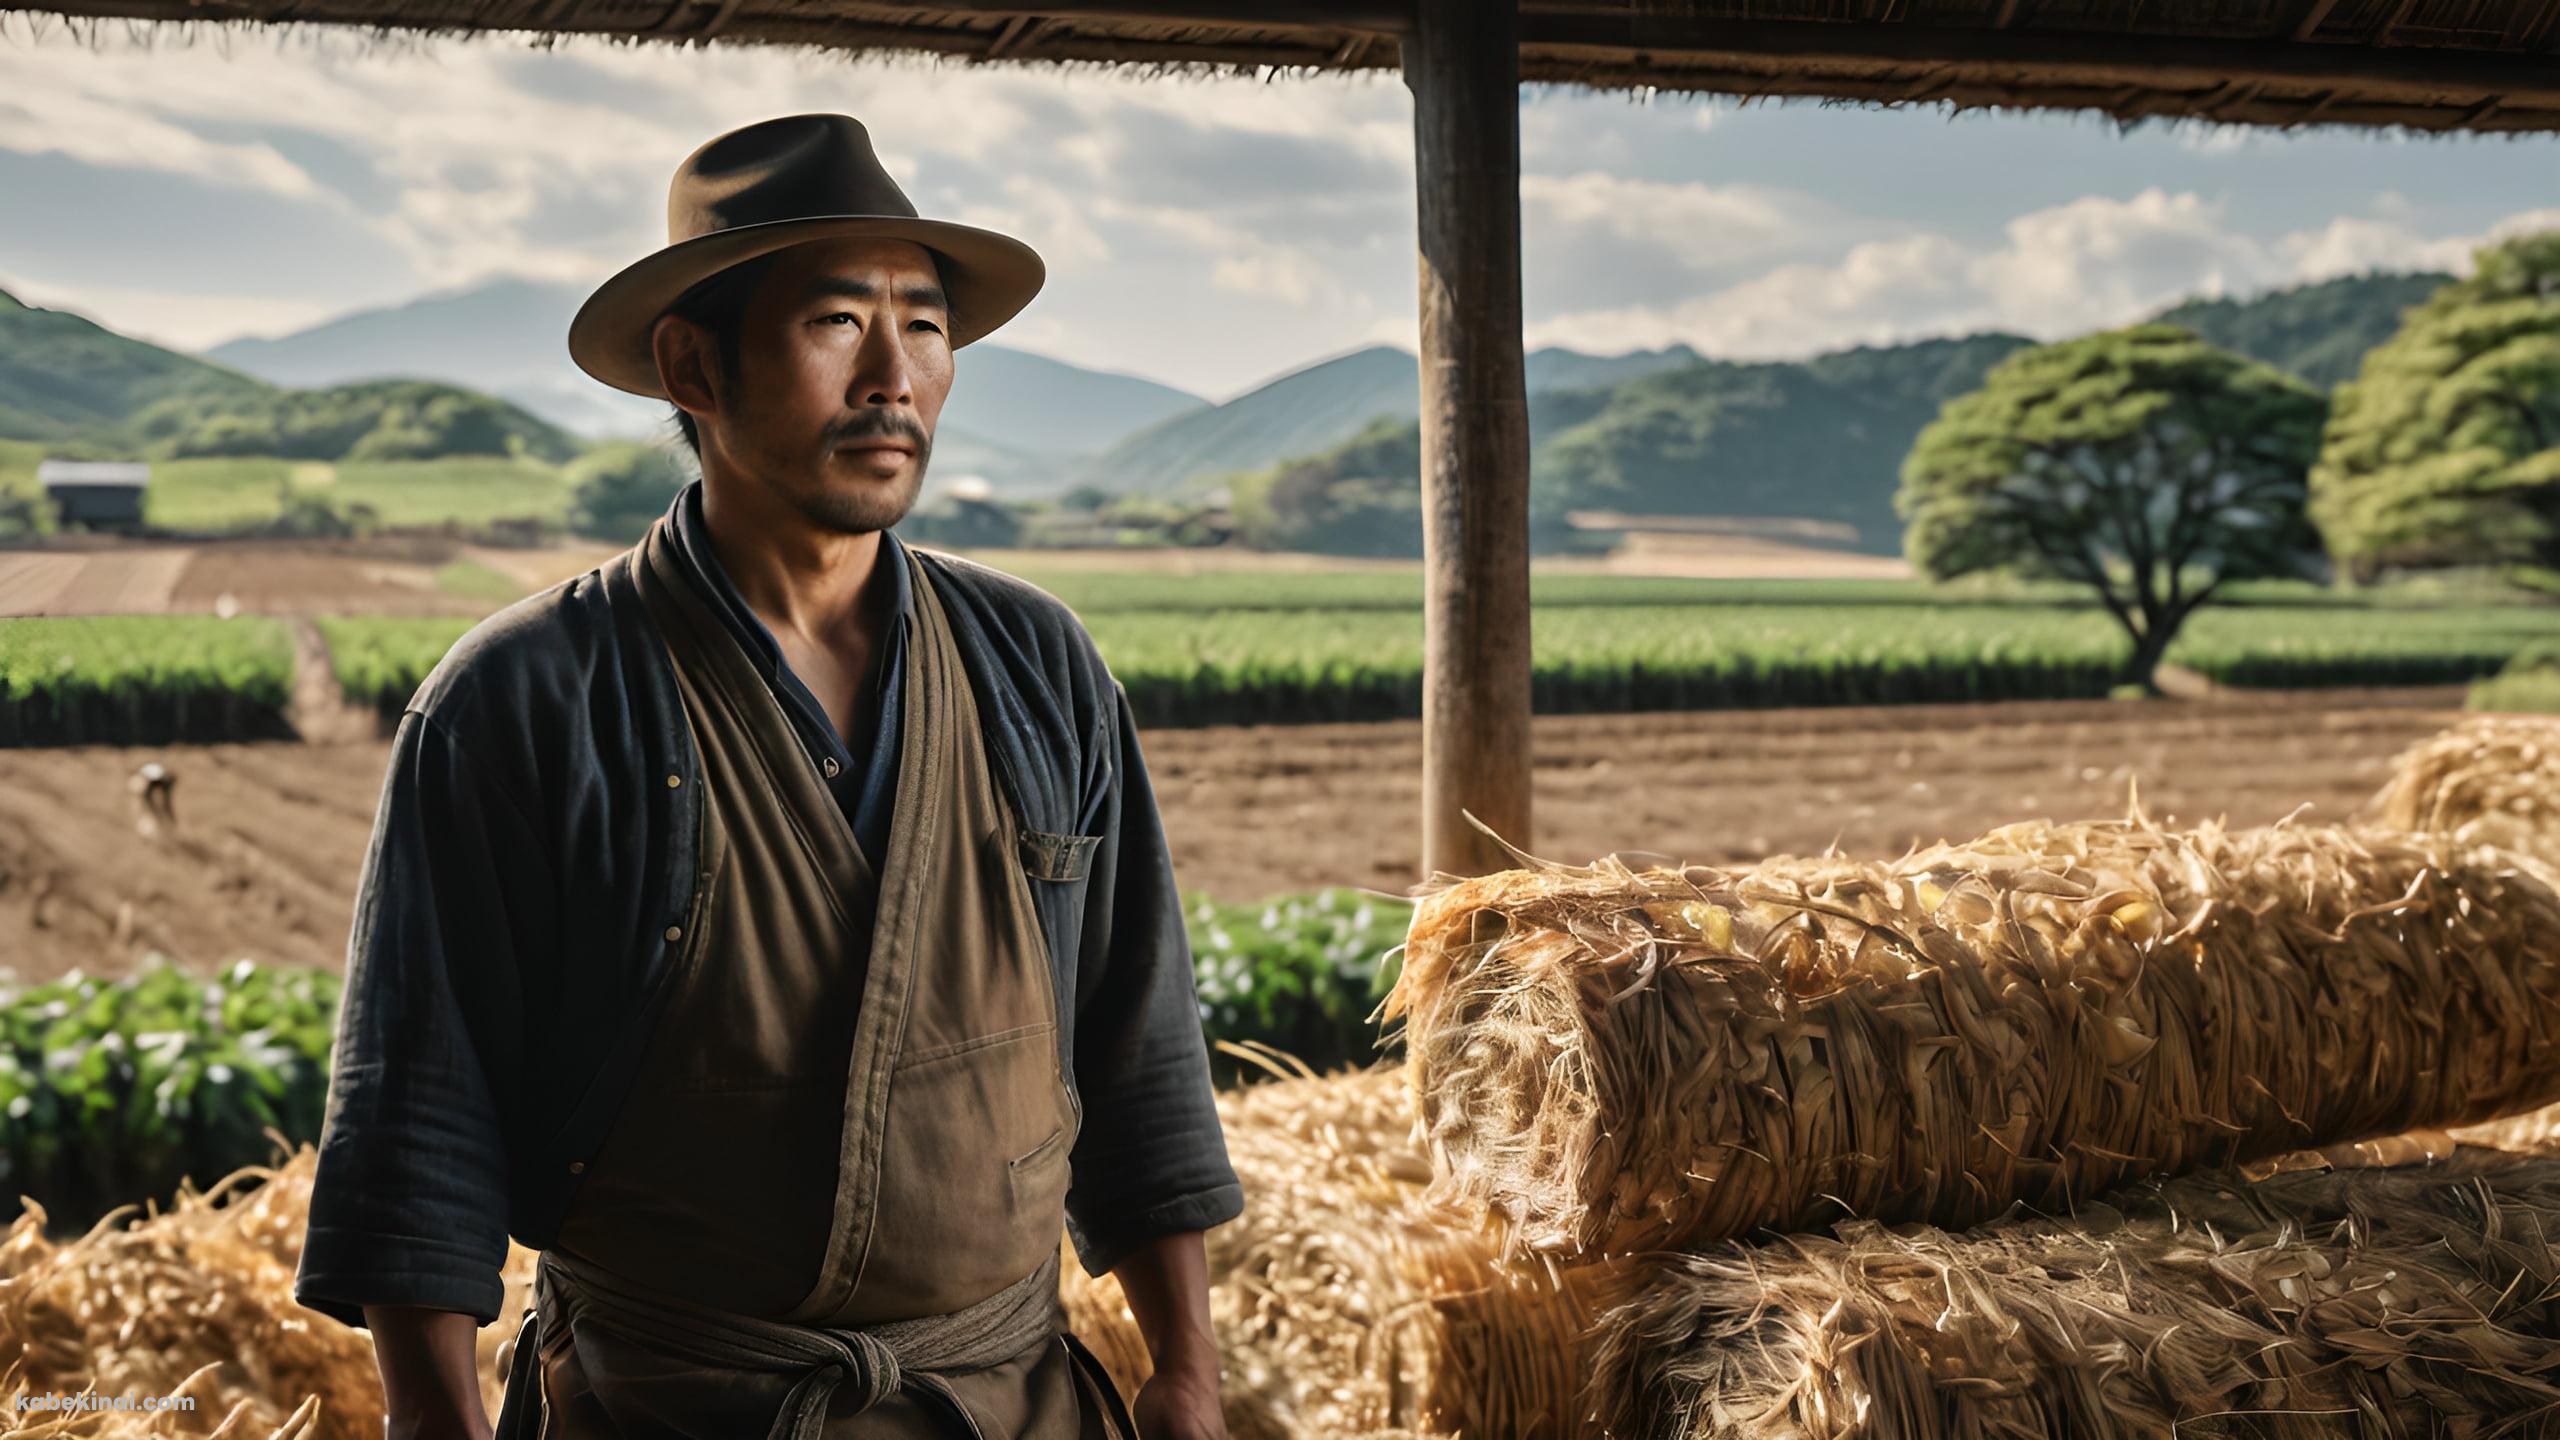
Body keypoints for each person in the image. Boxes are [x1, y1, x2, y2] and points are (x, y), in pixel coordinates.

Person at [291, 113, 1242, 1440]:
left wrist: (1187, 1369)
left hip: (1004, 1404)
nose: (893, 375)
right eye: (836, 322)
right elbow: (420, 1118)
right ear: (693, 363)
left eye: (924, 325)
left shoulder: (1037, 664)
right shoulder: (525, 700)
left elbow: (1136, 1050)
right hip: (669, 1403)